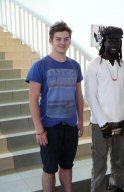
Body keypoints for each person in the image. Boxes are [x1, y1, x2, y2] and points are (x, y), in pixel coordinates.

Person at [26, 21, 84, 192]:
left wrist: (80, 121)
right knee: (49, 169)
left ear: (70, 41)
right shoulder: (40, 66)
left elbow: (79, 97)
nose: (62, 42)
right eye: (58, 39)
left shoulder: (75, 66)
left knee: (67, 166)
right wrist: (39, 129)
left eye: (66, 39)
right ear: (51, 40)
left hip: (70, 127)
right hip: (49, 128)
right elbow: (33, 99)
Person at [85, 26, 124, 192]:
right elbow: (90, 96)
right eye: (110, 40)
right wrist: (104, 123)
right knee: (99, 163)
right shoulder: (93, 65)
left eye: (118, 40)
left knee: (119, 160)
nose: (114, 43)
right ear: (103, 42)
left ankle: (116, 188)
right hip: (100, 125)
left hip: (120, 122)